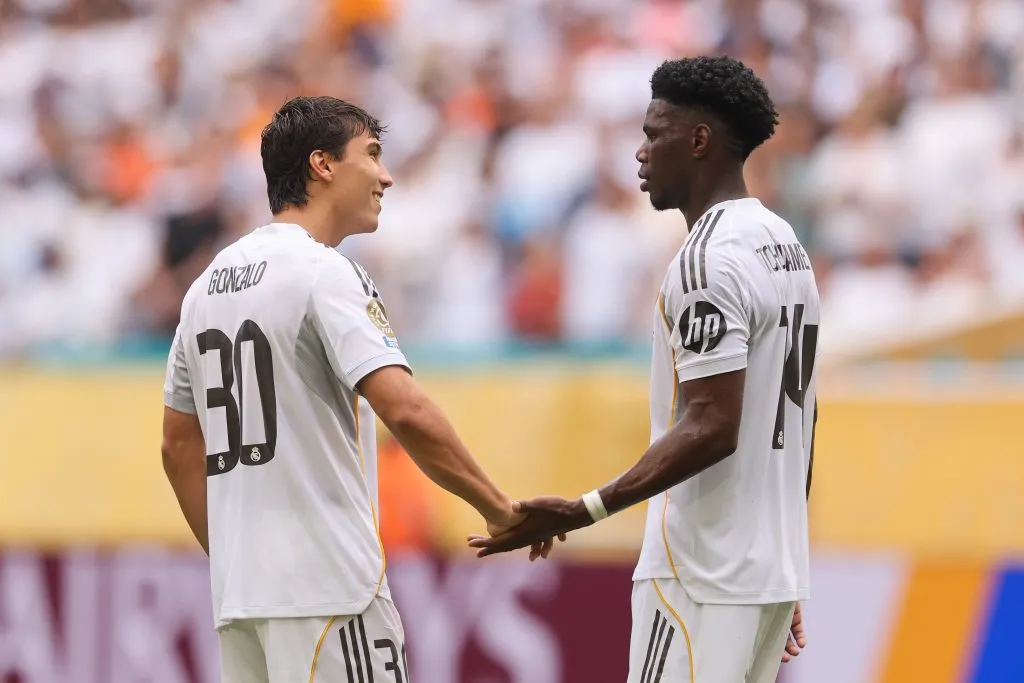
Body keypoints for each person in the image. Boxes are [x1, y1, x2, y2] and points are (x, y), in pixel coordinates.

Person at [160, 96, 556, 683]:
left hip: (241, 601)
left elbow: (177, 447)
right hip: (329, 590)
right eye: (371, 155)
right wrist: (499, 509)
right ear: (322, 164)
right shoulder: (324, 272)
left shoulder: (204, 288)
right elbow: (405, 409)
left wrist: (235, 562)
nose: (385, 176)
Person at [470, 56, 820, 683]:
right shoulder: (784, 244)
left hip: (702, 572)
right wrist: (788, 558)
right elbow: (801, 417)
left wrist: (584, 509)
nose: (640, 153)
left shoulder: (706, 260)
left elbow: (713, 424)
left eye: (654, 134)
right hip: (766, 574)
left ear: (699, 140)